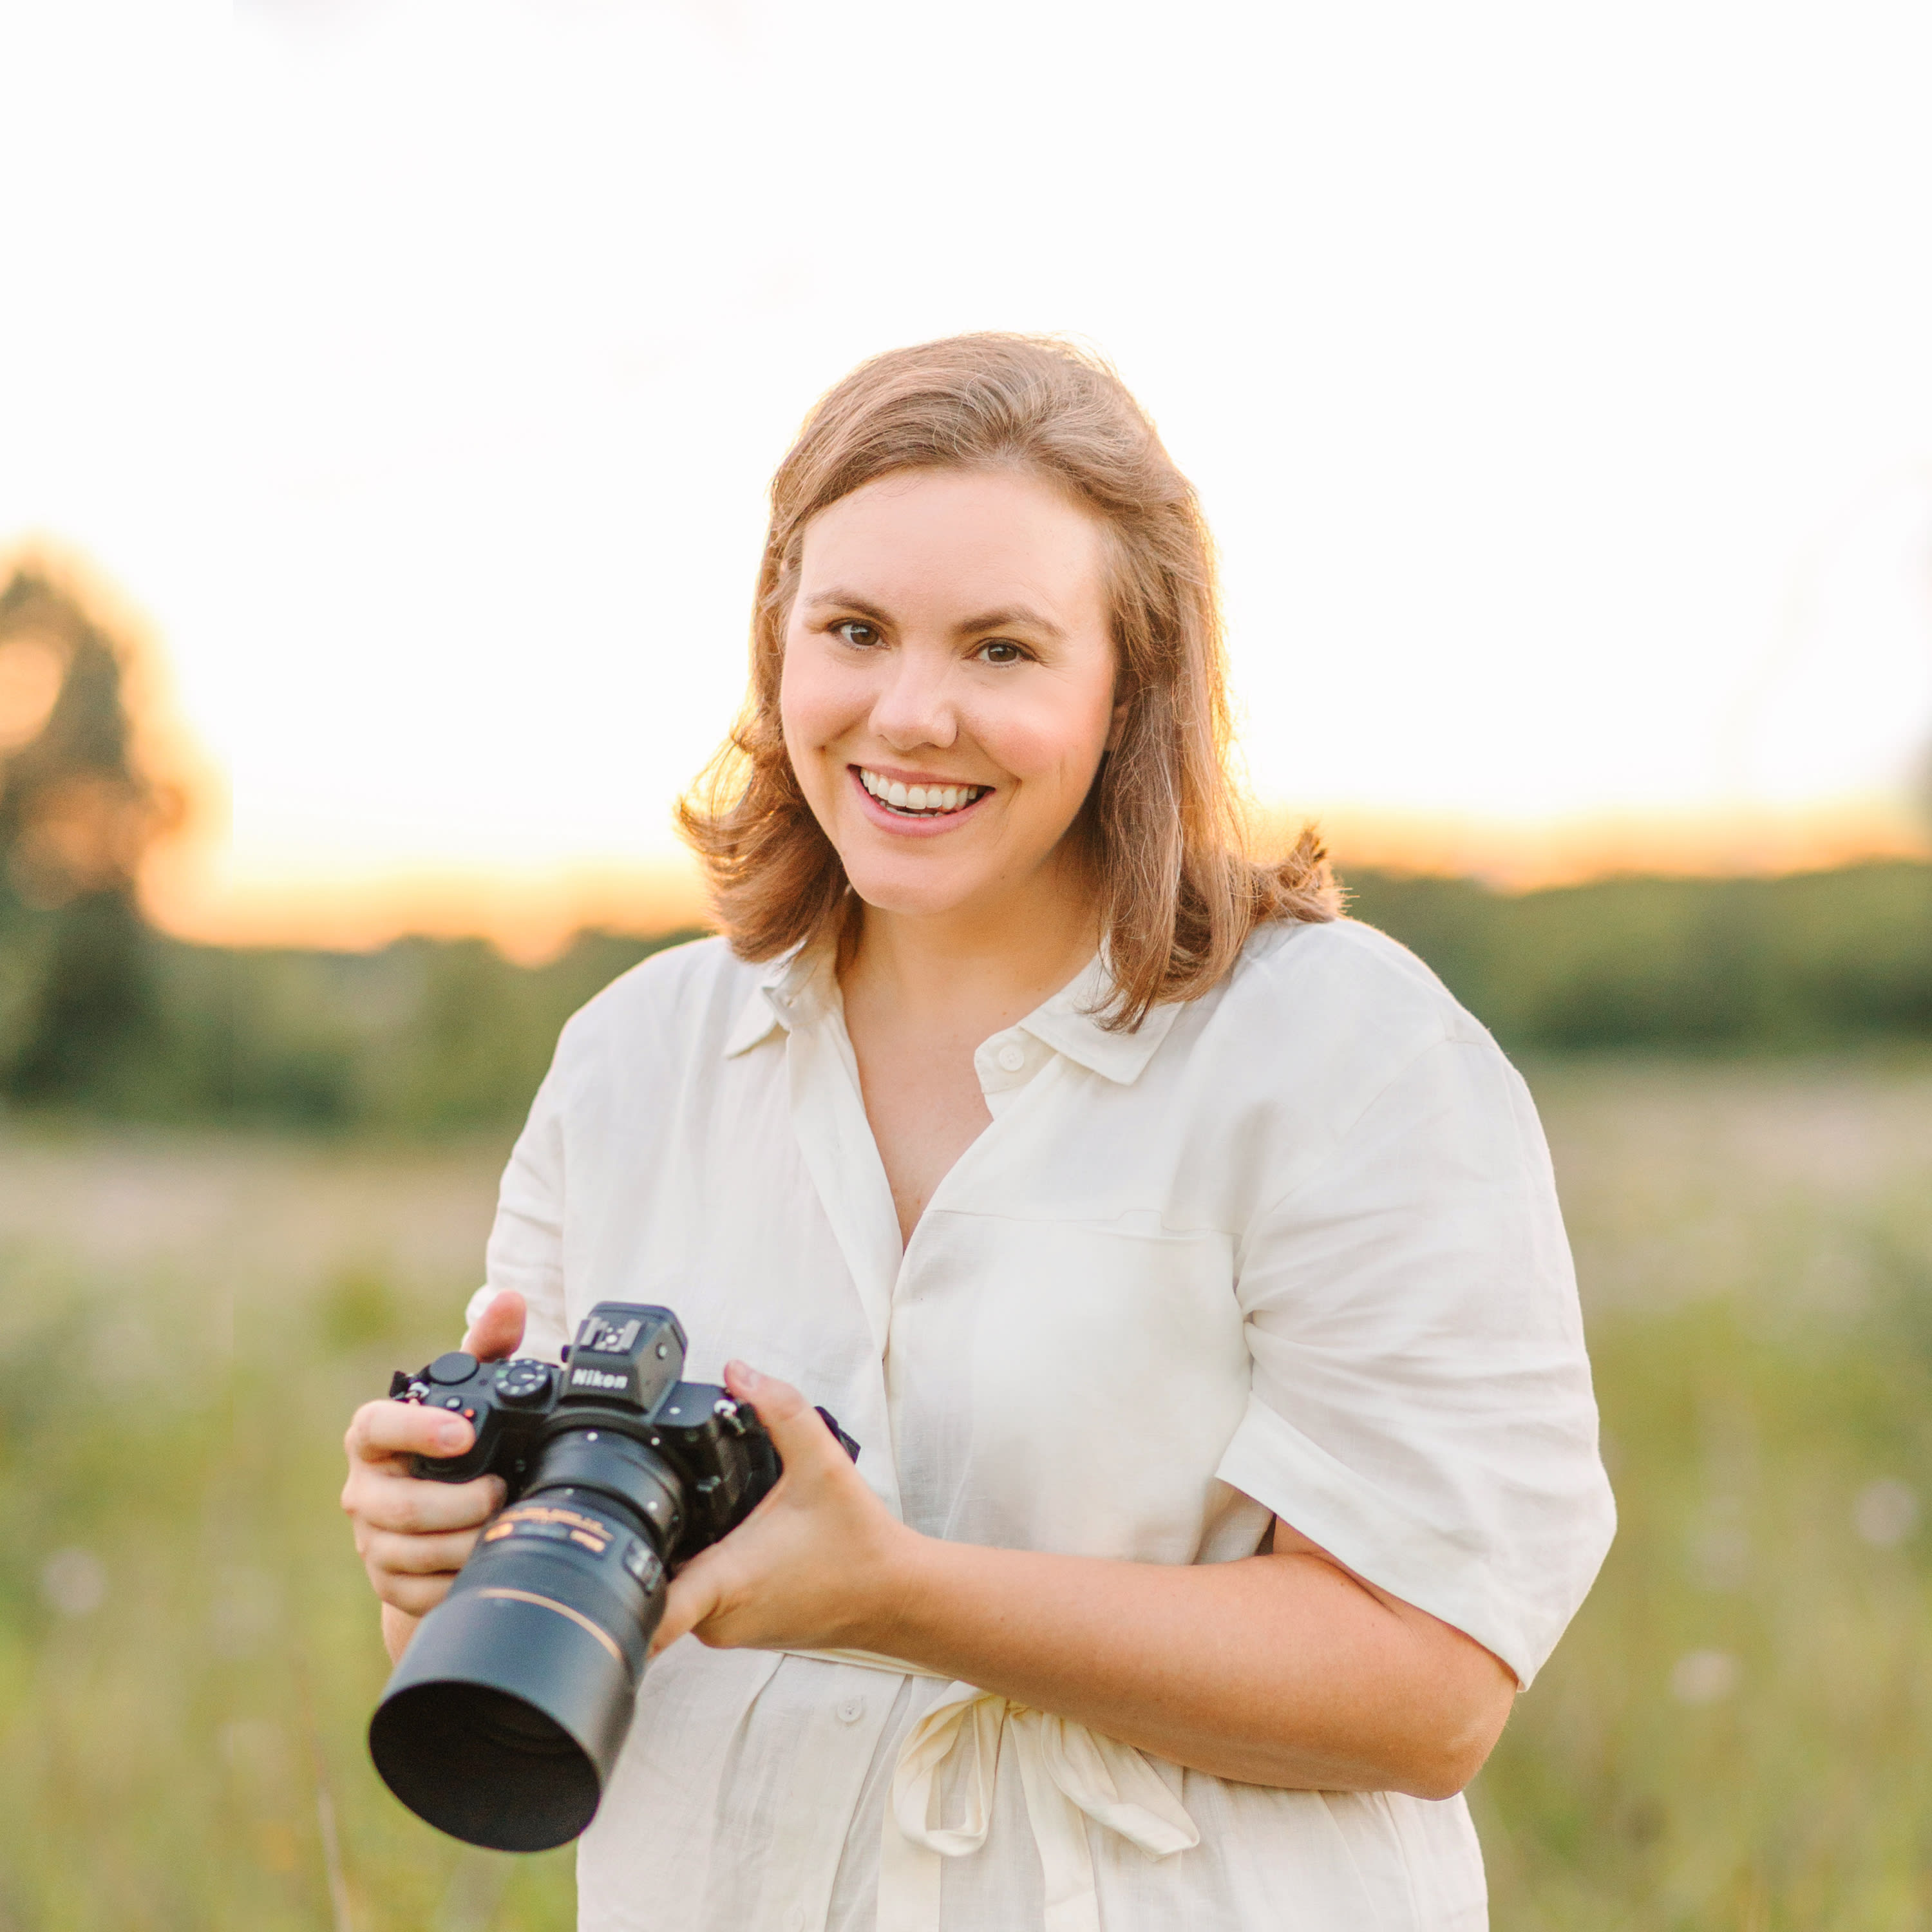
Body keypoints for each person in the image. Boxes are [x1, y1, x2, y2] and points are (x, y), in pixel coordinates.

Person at [342, 334, 1615, 1932]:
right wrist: (439, 1558)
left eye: (1003, 650)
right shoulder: (633, 1061)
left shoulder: (1344, 1055)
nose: (911, 713)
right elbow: (523, 1668)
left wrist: (907, 1601)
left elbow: (1431, 1692)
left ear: (1130, 683)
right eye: (854, 631)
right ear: (776, 650)